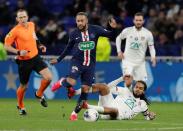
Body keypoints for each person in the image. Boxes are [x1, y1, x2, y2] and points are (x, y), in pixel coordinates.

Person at [50, 12, 117, 121]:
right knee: (71, 82)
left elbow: (110, 35)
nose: (80, 23)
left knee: (85, 89)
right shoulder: (73, 34)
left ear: (86, 21)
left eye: (82, 21)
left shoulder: (95, 29)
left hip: (90, 65)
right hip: (77, 62)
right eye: (78, 21)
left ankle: (74, 113)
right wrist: (58, 59)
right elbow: (68, 48)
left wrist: (113, 28)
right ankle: (62, 81)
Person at [4, 9, 52, 115]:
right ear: (17, 19)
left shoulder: (31, 24)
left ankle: (39, 94)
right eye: (20, 17)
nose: (22, 19)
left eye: (24, 17)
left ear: (27, 17)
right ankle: (21, 105)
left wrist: (40, 45)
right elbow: (6, 46)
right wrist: (18, 51)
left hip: (35, 57)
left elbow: (34, 36)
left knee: (48, 77)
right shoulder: (14, 31)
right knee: (24, 86)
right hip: (24, 61)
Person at [76, 76, 156, 120]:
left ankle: (86, 106)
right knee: (103, 86)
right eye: (137, 87)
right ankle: (77, 93)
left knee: (114, 110)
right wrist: (121, 79)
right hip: (107, 105)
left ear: (143, 91)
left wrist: (151, 116)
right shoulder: (125, 91)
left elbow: (147, 117)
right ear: (134, 87)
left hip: (118, 115)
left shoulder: (142, 104)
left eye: (141, 88)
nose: (138, 89)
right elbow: (108, 87)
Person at [116, 12, 156, 89]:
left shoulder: (148, 34)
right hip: (127, 61)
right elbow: (118, 38)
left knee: (140, 86)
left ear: (143, 21)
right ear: (134, 21)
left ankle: (138, 100)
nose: (138, 22)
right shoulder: (127, 31)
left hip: (140, 63)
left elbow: (151, 47)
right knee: (128, 81)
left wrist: (153, 57)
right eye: (137, 20)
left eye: (140, 20)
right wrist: (119, 51)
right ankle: (126, 99)